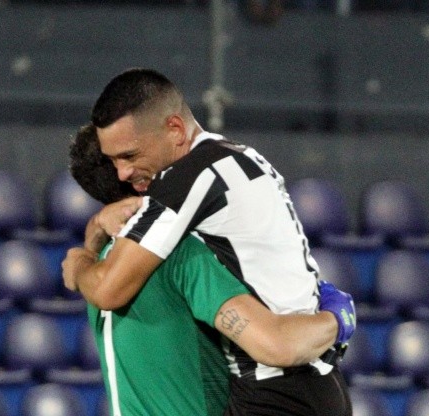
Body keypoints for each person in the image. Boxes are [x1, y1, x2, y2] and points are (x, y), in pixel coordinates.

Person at [62, 68, 355, 415]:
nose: (123, 173)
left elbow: (109, 288)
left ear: (174, 129)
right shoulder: (242, 157)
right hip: (317, 380)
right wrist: (336, 318)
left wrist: (81, 260)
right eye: (113, 162)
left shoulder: (183, 184)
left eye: (129, 156)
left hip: (276, 390)